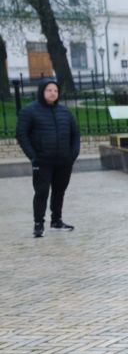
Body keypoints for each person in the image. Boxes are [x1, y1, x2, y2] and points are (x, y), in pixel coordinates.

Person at [17, 78, 79, 238]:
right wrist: (33, 156)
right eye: (49, 90)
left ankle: (56, 220)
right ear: (42, 91)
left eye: (55, 91)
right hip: (42, 161)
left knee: (59, 191)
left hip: (64, 161)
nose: (53, 93)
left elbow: (75, 135)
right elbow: (21, 135)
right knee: (42, 192)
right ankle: (38, 224)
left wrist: (72, 155)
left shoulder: (65, 112)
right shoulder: (29, 111)